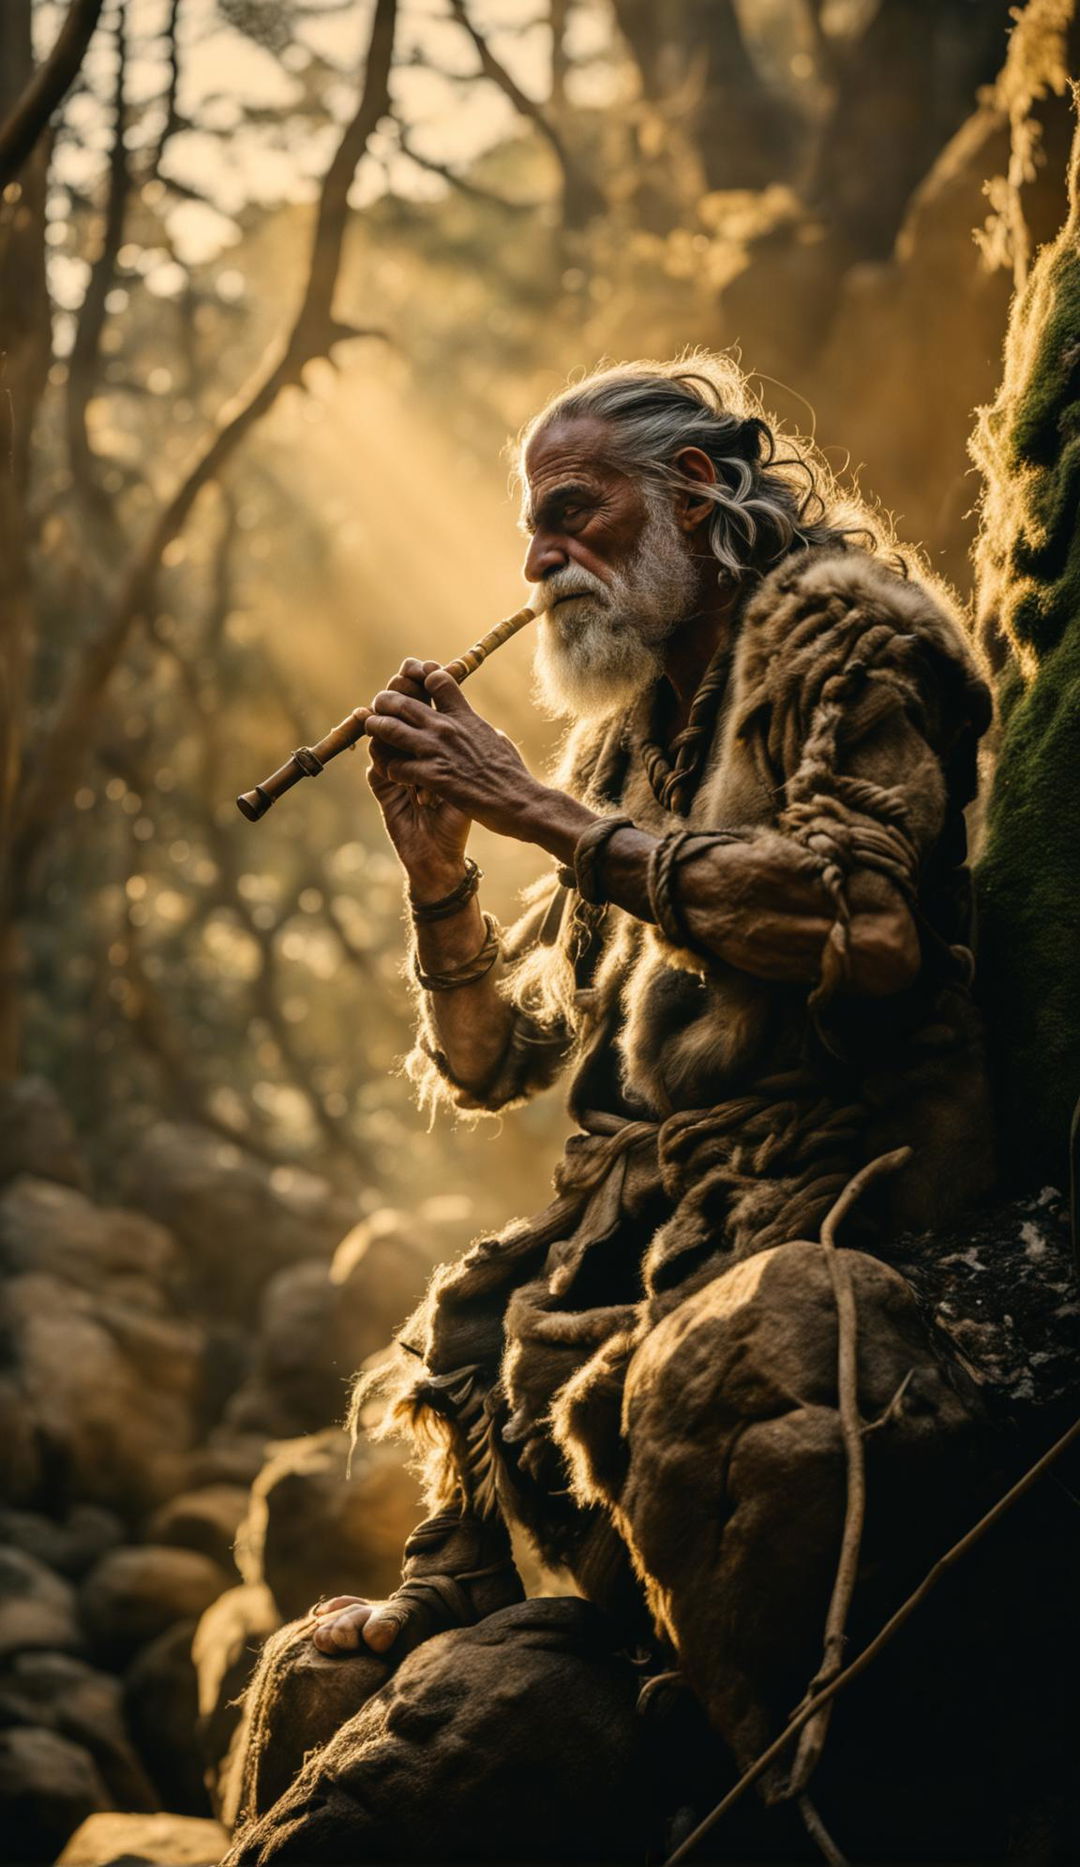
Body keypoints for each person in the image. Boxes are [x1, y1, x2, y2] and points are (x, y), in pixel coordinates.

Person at [233, 355, 999, 1860]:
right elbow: (497, 1062)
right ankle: (482, 1599)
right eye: (531, 529)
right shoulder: (633, 730)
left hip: (832, 1167)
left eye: (573, 514)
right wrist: (443, 871)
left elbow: (864, 920)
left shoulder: (842, 629)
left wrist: (543, 813)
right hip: (643, 1210)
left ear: (698, 493)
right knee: (485, 1323)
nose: (535, 562)